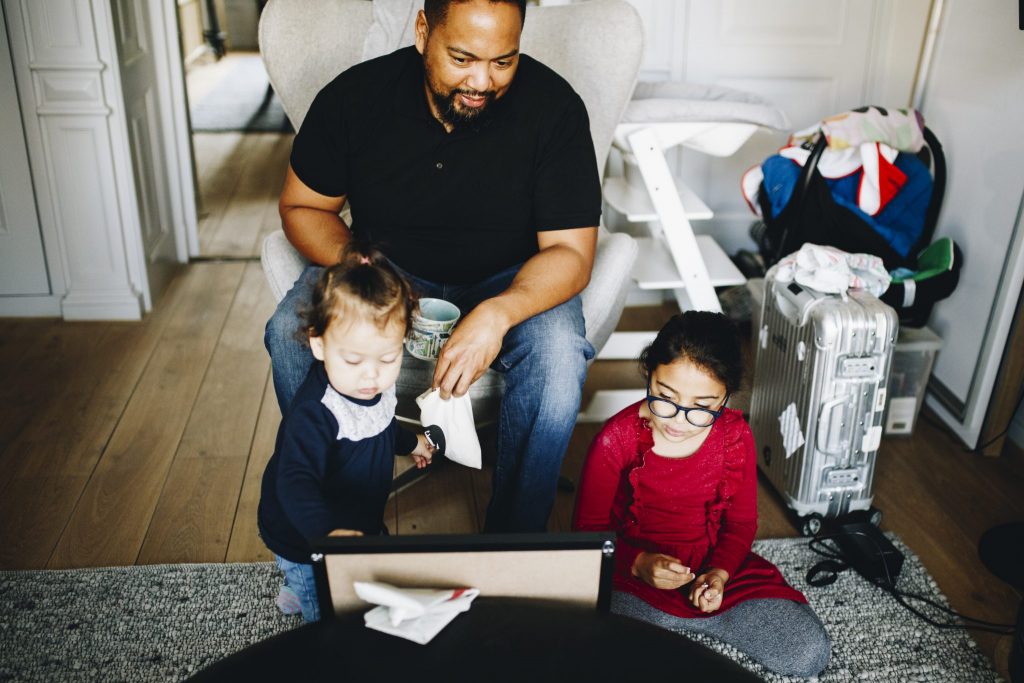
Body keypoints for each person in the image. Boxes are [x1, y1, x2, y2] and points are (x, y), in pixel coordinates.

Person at [264, 0, 602, 532]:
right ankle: (338, 525)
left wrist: (497, 314)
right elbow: (302, 207)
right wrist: (361, 265)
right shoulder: (355, 97)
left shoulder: (555, 109)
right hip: (385, 268)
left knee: (558, 352)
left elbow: (572, 253)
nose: (482, 81)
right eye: (463, 58)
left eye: (503, 61)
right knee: (289, 331)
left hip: (512, 279)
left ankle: (515, 543)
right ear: (423, 31)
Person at [573, 312, 831, 677]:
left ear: (726, 396)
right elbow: (588, 535)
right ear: (650, 374)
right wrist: (639, 563)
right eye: (665, 397)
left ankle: (688, 626)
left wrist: (720, 575)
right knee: (598, 652)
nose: (679, 420)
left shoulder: (735, 436)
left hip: (713, 570)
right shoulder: (615, 440)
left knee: (807, 653)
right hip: (633, 580)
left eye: (703, 407)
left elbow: (741, 524)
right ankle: (662, 632)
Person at [258, 242, 436, 623]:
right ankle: (300, 591)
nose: (371, 374)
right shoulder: (316, 412)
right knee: (328, 610)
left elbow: (382, 422)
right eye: (353, 359)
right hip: (306, 534)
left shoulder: (369, 386)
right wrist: (327, 536)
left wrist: (412, 442)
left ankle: (302, 587)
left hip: (357, 514)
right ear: (318, 344)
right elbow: (294, 480)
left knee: (370, 570)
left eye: (388, 358)